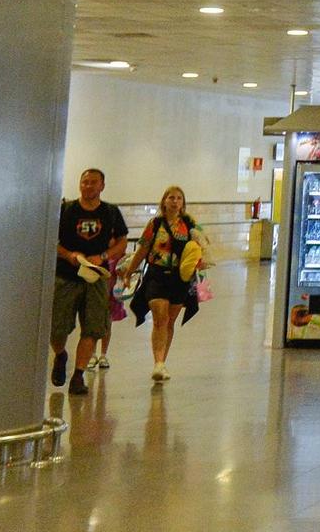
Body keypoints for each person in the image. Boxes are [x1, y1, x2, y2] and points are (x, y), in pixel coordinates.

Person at [51, 167, 128, 396]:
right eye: (85, 182)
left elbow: (122, 242)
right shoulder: (66, 210)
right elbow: (51, 240)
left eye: (93, 182)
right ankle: (61, 353)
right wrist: (69, 255)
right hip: (66, 276)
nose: (88, 186)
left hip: (96, 277)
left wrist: (103, 257)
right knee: (57, 327)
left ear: (102, 186)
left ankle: (78, 374)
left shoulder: (111, 213)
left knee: (93, 327)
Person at [121, 185, 207, 382]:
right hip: (157, 275)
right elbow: (142, 250)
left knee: (169, 320)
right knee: (160, 317)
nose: (175, 201)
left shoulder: (190, 224)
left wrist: (200, 268)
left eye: (178, 198)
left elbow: (202, 247)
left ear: (183, 203)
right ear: (164, 201)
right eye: (171, 198)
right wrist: (129, 271)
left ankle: (162, 362)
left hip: (180, 278)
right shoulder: (154, 224)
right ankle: (158, 362)